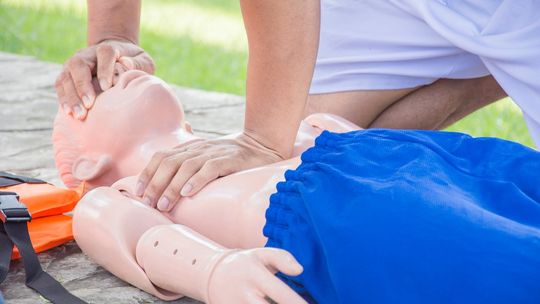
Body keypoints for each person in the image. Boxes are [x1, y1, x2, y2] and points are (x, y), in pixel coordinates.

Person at [58, 72, 540, 303]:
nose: (114, 69)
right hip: (363, 211)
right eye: (92, 93)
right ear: (88, 162)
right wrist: (214, 271)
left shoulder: (249, 136)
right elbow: (118, 229)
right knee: (513, 265)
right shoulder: (124, 190)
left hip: (449, 160)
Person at [54, 0, 528, 211]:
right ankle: (497, 60)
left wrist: (261, 137)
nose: (121, 74)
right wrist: (111, 33)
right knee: (317, 136)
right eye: (105, 91)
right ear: (94, 165)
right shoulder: (125, 200)